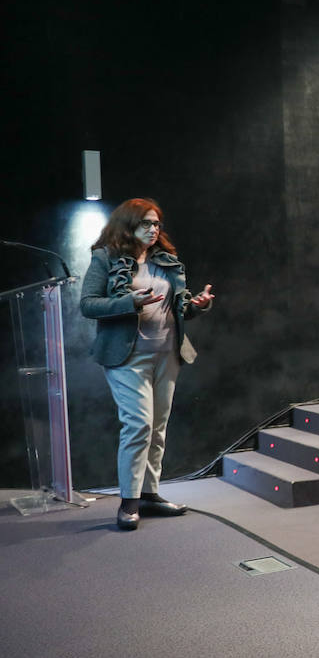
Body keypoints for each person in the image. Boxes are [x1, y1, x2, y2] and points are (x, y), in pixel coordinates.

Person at [80, 198, 214, 531]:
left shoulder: (166, 261)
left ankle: (150, 494)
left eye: (156, 224)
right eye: (146, 224)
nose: (153, 230)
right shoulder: (106, 258)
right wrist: (129, 302)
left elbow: (178, 308)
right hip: (127, 356)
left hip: (167, 353)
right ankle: (128, 502)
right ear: (128, 225)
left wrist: (197, 306)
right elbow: (88, 304)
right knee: (138, 425)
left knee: (157, 429)